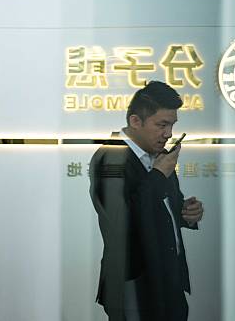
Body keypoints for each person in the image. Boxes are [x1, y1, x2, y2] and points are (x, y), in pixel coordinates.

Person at [89, 81, 204, 321]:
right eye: (162, 124)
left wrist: (186, 213)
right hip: (132, 282)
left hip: (168, 280)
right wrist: (158, 176)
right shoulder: (109, 158)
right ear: (135, 121)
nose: (168, 134)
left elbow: (163, 208)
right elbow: (121, 220)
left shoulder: (159, 156)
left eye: (172, 125)